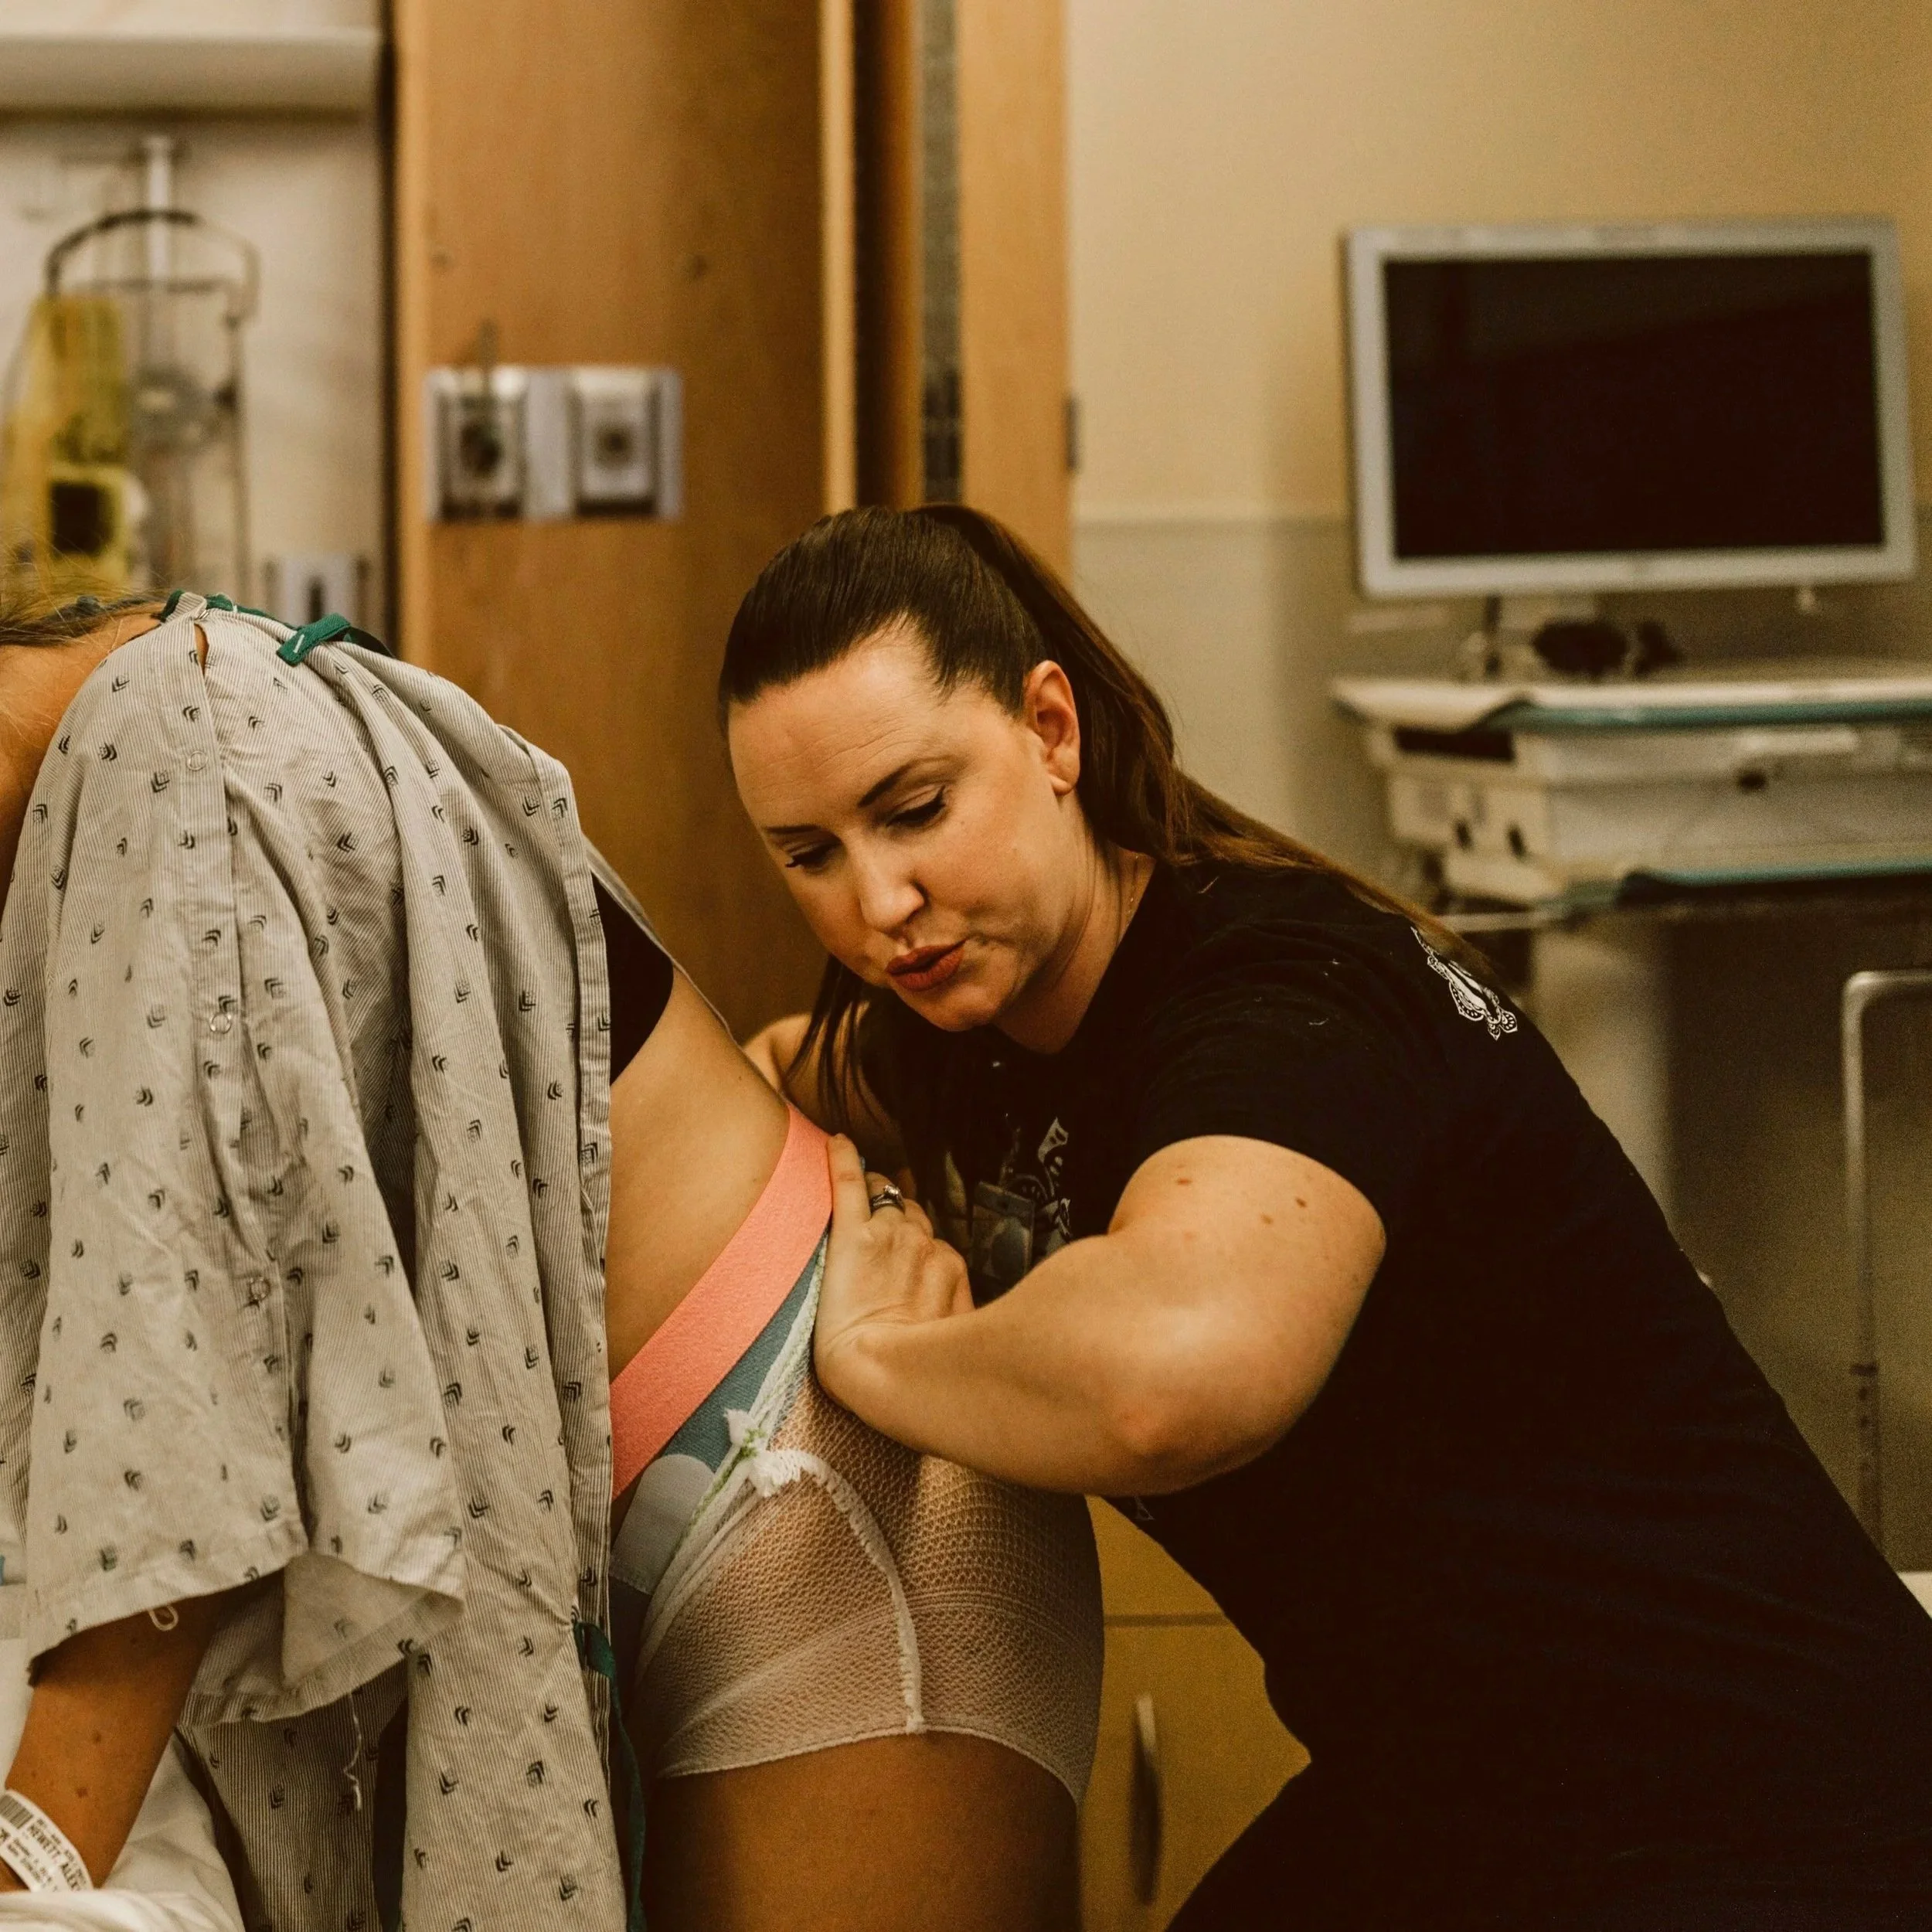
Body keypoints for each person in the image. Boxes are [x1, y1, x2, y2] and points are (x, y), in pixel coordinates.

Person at [719, 503, 1932, 1932]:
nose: (880, 904)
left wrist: (880, 1356)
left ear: (1052, 731)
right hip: (1458, 1796)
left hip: (1761, 1807)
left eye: (916, 810)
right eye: (808, 854)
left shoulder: (1291, 1003)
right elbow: (771, 1077)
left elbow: (1176, 1379)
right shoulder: (964, 1023)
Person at [0, 591, 1099, 1932]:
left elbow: (178, 1424)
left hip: (831, 1496)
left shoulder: (168, 745)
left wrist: (28, 1866)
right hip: (703, 1451)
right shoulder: (176, 693)